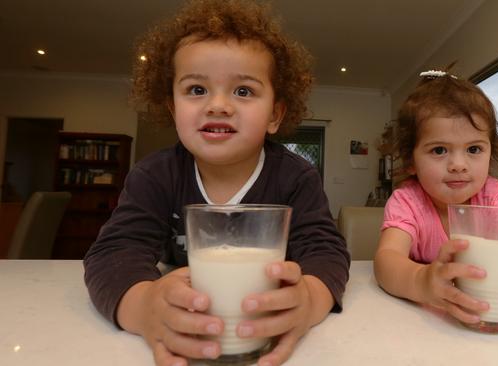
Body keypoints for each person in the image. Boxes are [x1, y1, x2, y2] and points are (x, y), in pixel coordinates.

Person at [83, 1, 350, 365]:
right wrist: (144, 307)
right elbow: (115, 254)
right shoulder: (155, 176)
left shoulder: (296, 177)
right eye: (196, 90)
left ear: (274, 114)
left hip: (257, 322)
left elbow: (326, 252)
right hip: (195, 316)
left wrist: (310, 300)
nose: (218, 105)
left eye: (243, 91)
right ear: (173, 109)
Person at [373, 69, 498, 327]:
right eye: (439, 150)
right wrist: (421, 281)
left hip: (490, 314)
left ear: (491, 151)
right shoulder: (407, 202)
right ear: (411, 160)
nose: (458, 164)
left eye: (473, 149)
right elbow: (386, 260)